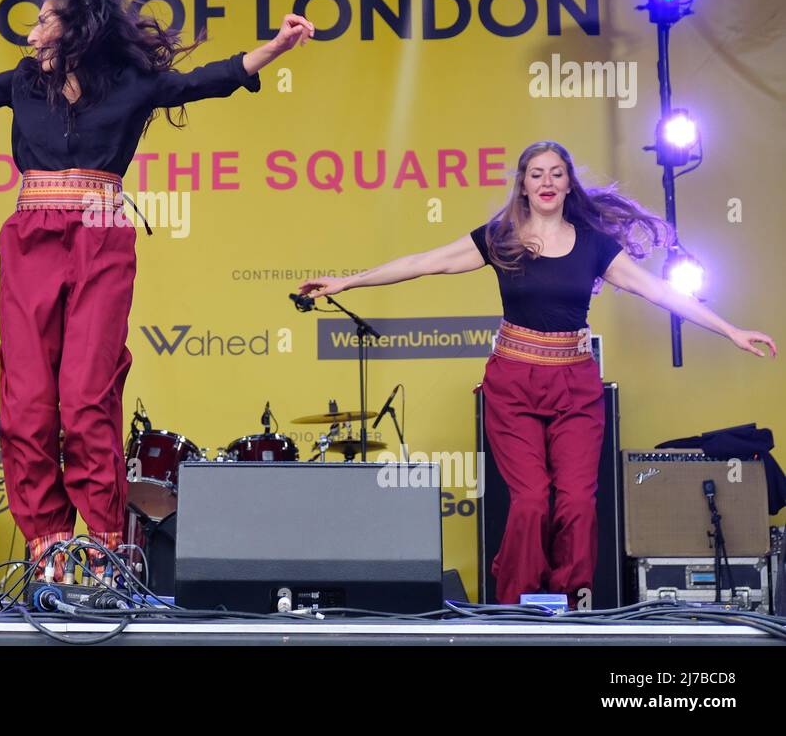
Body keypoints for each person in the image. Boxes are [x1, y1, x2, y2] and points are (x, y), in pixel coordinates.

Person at [0, 0, 314, 579]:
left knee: (88, 397)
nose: (31, 32)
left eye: (42, 21)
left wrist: (275, 47)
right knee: (26, 403)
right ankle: (49, 550)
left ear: (76, 28)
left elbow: (208, 79)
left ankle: (107, 546)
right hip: (32, 236)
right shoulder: (22, 82)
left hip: (101, 232)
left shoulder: (131, 84)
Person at [299, 140, 776, 605]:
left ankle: (568, 603)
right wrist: (348, 281)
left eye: (556, 173)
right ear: (523, 186)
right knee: (529, 503)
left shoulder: (594, 245)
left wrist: (730, 329)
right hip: (513, 384)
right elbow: (426, 262)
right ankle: (519, 606)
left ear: (569, 184)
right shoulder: (501, 236)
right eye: (536, 174)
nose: (547, 181)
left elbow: (660, 292)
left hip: (575, 387)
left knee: (577, 504)